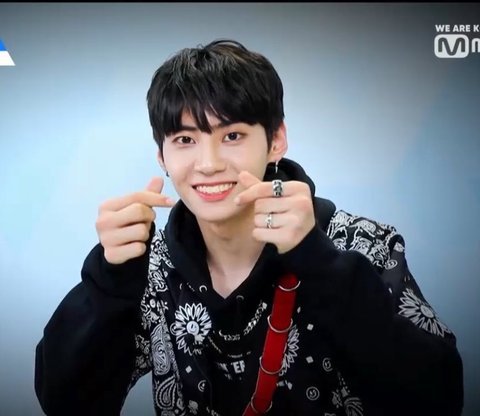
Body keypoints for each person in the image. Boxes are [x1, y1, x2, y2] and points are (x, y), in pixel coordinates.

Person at [34, 39, 463, 416]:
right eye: (185, 140)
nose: (208, 164)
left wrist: (321, 263)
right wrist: (109, 281)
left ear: (276, 140)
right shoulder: (148, 271)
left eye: (233, 136)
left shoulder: (362, 245)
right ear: (162, 156)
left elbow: (439, 399)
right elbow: (66, 403)